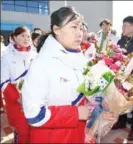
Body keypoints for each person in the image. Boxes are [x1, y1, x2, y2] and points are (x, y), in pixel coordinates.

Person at [22, 6, 92, 143]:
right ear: (56, 29)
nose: (80, 33)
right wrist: (76, 113)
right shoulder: (42, 63)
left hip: (77, 134)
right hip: (53, 138)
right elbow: (34, 115)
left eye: (81, 27)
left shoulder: (80, 59)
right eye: (73, 27)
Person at [1, 26, 37, 143]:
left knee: (35, 129)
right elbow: (3, 82)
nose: (26, 39)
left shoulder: (35, 54)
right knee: (22, 132)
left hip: (34, 98)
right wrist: (18, 97)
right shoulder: (6, 56)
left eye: (28, 36)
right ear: (14, 37)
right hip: (16, 101)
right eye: (22, 36)